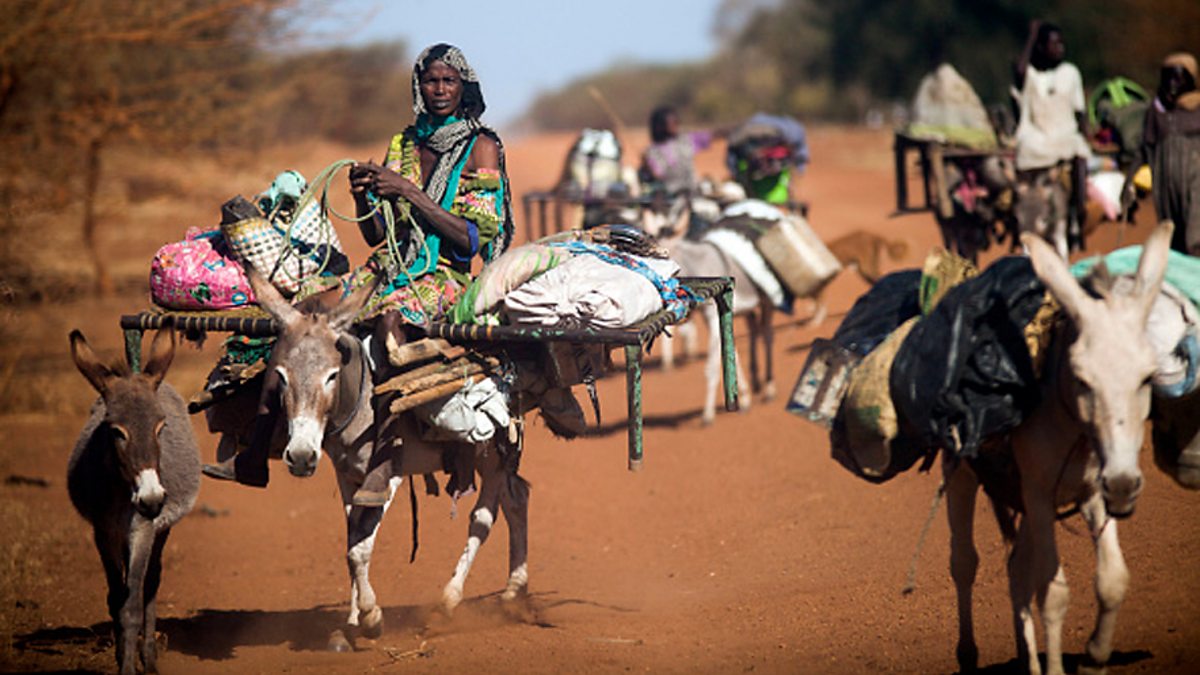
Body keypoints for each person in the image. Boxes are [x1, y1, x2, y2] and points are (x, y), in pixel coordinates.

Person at [203, 44, 513, 506]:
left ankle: (384, 458)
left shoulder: (481, 146)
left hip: (444, 276)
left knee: (391, 321)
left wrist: (407, 190)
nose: (441, 90)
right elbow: (373, 235)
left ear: (465, 86)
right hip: (386, 268)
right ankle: (255, 448)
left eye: (450, 81)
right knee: (298, 315)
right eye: (432, 81)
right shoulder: (403, 144)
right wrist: (366, 196)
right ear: (418, 85)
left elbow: (470, 239)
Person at [1011, 20, 1091, 249]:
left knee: (1078, 149)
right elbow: (1019, 72)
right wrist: (1032, 35)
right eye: (1053, 43)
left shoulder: (1070, 73)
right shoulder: (1031, 75)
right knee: (1025, 148)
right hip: (1036, 134)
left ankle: (1078, 211)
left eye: (1061, 43)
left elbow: (1080, 111)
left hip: (1065, 132)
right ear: (1039, 47)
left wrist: (1087, 135)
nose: (1060, 48)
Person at [1132, 52, 1200, 254]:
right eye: (1167, 78)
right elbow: (1145, 148)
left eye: (1178, 78)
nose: (1172, 84)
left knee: (1196, 238)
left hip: (1196, 185)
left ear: (1191, 80)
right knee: (1174, 242)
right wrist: (1129, 185)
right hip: (1167, 190)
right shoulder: (1157, 112)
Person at [638, 105, 720, 198]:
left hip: (693, 191)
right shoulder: (652, 151)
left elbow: (711, 135)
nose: (676, 125)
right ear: (661, 125)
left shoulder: (686, 140)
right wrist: (647, 164)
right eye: (672, 123)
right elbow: (658, 174)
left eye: (676, 121)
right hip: (670, 195)